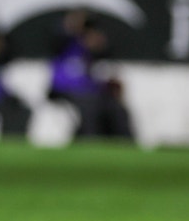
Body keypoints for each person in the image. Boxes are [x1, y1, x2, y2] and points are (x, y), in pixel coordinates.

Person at [48, 9, 132, 138]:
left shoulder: (92, 50)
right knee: (89, 106)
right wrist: (74, 26)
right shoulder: (64, 43)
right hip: (64, 90)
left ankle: (125, 143)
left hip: (90, 91)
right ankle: (90, 139)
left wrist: (96, 46)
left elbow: (105, 67)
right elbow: (57, 36)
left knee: (116, 108)